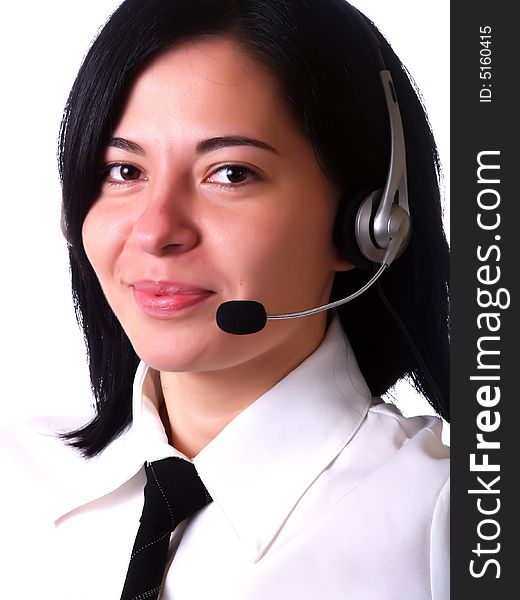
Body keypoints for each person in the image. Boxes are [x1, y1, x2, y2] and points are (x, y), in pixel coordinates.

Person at [1, 0, 449, 598]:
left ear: (368, 223)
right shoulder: (17, 478)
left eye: (231, 173)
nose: (156, 231)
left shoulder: (453, 520)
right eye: (124, 171)